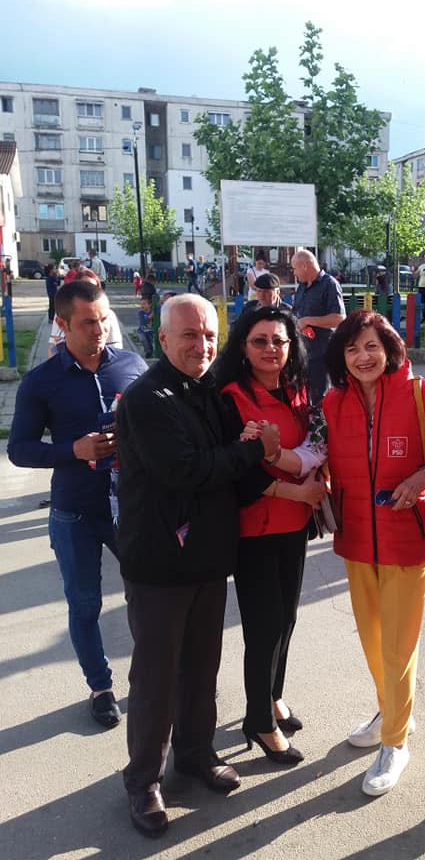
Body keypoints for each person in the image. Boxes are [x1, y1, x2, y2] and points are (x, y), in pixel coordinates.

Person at [276, 310, 425, 797]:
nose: (363, 357)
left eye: (372, 346)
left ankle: (395, 741)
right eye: (352, 348)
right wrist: (274, 455)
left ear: (389, 349)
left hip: (407, 537)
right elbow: (313, 453)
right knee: (375, 639)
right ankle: (392, 709)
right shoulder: (331, 404)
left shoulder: (422, 395)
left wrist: (420, 478)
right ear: (341, 357)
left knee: (399, 643)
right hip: (356, 538)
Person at [115, 295, 280, 838]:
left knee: (202, 668)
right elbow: (185, 471)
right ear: (162, 339)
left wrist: (270, 457)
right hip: (159, 564)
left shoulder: (211, 392)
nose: (202, 345)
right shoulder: (147, 398)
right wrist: (254, 450)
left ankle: (194, 753)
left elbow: (233, 466)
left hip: (208, 558)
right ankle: (143, 780)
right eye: (189, 335)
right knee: (156, 678)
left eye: (209, 335)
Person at [8, 280, 147, 729]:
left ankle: (155, 673)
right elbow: (19, 449)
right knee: (85, 604)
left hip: (132, 507)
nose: (99, 329)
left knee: (151, 594)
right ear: (62, 324)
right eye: (88, 322)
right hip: (76, 512)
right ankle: (101, 687)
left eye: (103, 319)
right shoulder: (41, 382)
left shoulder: (132, 365)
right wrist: (74, 450)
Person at [213, 307, 325, 768]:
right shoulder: (231, 397)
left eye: (279, 341)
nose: (270, 349)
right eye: (260, 341)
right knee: (264, 627)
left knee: (287, 619)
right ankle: (258, 720)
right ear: (243, 347)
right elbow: (238, 473)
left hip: (294, 524)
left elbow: (311, 448)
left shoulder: (297, 390)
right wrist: (298, 490)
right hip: (254, 529)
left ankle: (273, 695)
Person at [291, 249, 346, 405]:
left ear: (305, 266)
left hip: (322, 352)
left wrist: (309, 320)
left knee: (320, 399)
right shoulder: (302, 286)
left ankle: (321, 420)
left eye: (295, 268)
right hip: (303, 351)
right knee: (302, 396)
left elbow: (339, 318)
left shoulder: (329, 284)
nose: (294, 273)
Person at [48, 268, 123, 357]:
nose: (88, 292)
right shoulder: (63, 313)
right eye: (83, 288)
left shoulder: (109, 315)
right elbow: (53, 347)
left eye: (93, 288)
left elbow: (116, 351)